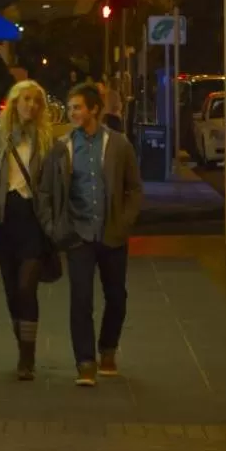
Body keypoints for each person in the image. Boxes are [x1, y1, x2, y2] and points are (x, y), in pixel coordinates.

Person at [37, 81, 143, 386]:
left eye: (77, 107)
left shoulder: (119, 145)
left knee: (116, 297)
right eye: (70, 108)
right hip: (78, 234)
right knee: (81, 299)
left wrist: (125, 222)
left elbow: (134, 188)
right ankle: (85, 362)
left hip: (111, 233)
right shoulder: (63, 147)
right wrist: (53, 227)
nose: (72, 113)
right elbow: (45, 191)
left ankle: (107, 348)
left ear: (94, 109)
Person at [0, 79, 55, 380]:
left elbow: (55, 182)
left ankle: (28, 356)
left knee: (26, 286)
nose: (31, 106)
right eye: (26, 100)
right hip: (5, 218)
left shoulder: (47, 139)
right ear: (14, 102)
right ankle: (21, 342)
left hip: (34, 220)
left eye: (36, 101)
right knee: (12, 290)